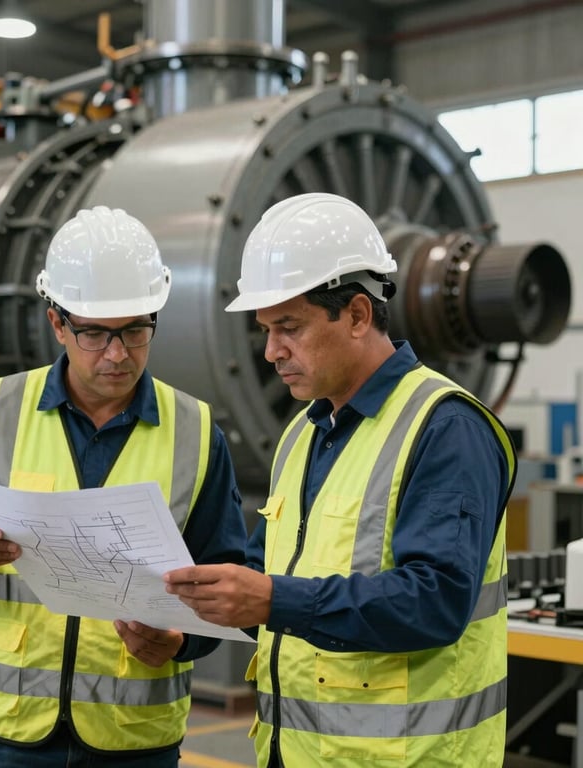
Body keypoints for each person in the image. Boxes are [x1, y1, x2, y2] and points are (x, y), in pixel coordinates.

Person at [164, 192, 517, 767]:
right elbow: (264, 577)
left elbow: (436, 601)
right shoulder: (303, 432)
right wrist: (184, 632)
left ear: (356, 314)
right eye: (265, 330)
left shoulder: (445, 427)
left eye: (289, 327)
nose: (272, 351)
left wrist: (273, 599)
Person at [0, 205, 248, 768]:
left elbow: (230, 580)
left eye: (136, 330)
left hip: (133, 743)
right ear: (57, 323)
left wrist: (184, 642)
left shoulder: (198, 434)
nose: (117, 353)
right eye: (94, 333)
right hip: (4, 740)